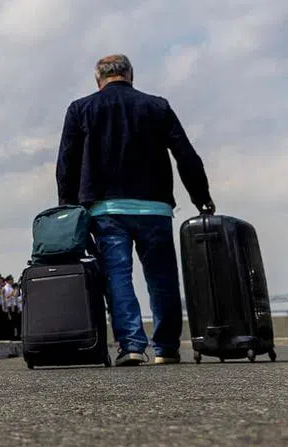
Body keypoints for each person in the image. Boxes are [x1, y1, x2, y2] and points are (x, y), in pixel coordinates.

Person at [57, 53, 214, 366]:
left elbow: (66, 165)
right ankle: (167, 348)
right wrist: (201, 198)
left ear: (97, 79)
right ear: (131, 74)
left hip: (105, 209)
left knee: (117, 276)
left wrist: (69, 210)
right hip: (154, 207)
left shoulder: (80, 109)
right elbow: (186, 155)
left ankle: (130, 346)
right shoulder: (157, 106)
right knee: (162, 278)